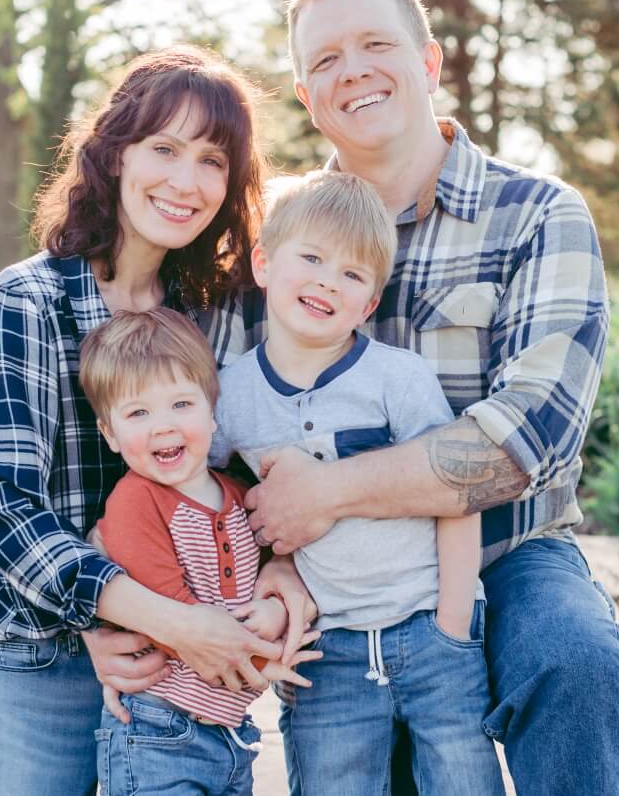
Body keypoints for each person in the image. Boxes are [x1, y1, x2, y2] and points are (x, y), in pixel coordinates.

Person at [202, 0, 619, 795]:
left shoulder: (539, 214)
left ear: (430, 61)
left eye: (376, 43)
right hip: (330, 565)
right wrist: (269, 556)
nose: (354, 70)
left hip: (504, 546)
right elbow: (209, 421)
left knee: (575, 661)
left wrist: (327, 492)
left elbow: (526, 442)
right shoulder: (273, 235)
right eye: (326, 60)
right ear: (306, 95)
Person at [0, 45, 314, 796]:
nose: (186, 183)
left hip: (181, 675)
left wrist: (280, 571)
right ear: (116, 154)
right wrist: (153, 619)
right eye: (165, 149)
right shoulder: (28, 303)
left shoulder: (213, 316)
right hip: (43, 654)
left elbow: (249, 479)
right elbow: (6, 510)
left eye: (213, 161)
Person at [210, 170, 495, 795]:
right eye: (310, 257)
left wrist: (453, 625)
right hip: (325, 648)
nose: (325, 281)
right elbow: (213, 492)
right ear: (263, 263)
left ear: (369, 304)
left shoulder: (399, 378)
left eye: (351, 274)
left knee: (465, 783)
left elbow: (458, 493)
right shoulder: (231, 396)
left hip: (428, 627)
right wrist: (268, 573)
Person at [78, 307, 320, 795]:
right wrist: (261, 660)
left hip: (230, 731)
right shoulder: (135, 502)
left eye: (181, 404)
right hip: (157, 729)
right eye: (138, 412)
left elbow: (269, 575)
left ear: (213, 412)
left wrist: (271, 612)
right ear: (110, 433)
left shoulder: (236, 495)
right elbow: (171, 617)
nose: (163, 427)